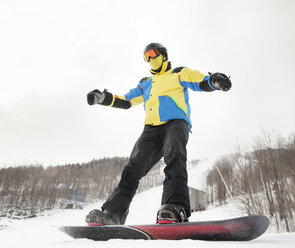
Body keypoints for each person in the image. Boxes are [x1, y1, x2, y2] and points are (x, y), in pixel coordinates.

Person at [85, 42, 232, 225]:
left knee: (174, 156)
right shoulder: (146, 83)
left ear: (163, 55)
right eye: (146, 57)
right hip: (151, 129)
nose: (150, 59)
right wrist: (104, 98)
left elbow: (199, 81)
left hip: (176, 123)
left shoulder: (178, 73)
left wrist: (214, 81)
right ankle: (113, 213)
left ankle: (175, 208)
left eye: (152, 54)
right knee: (132, 169)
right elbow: (127, 100)